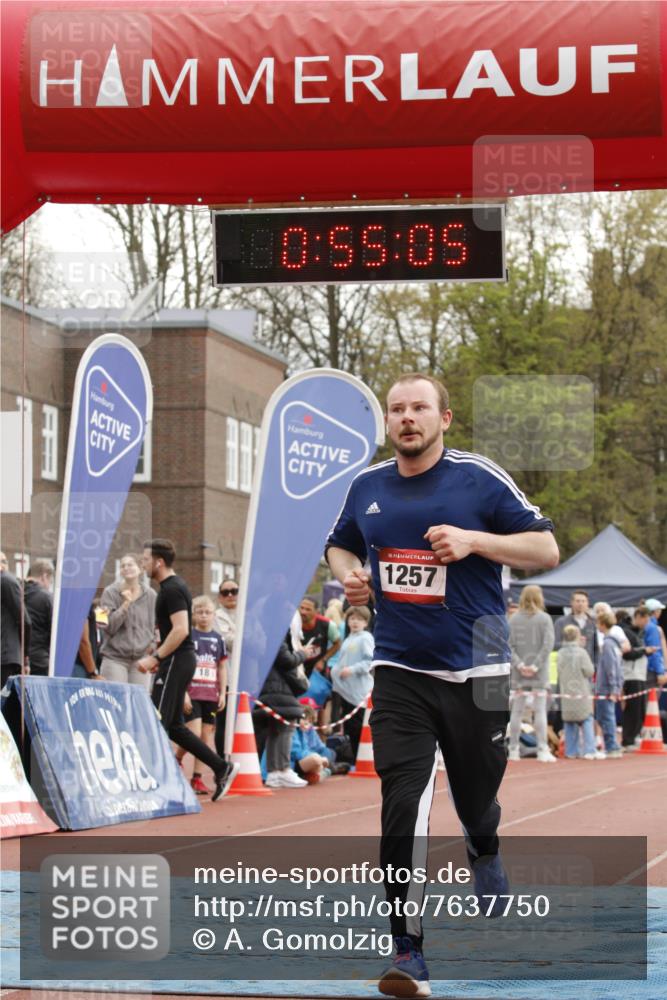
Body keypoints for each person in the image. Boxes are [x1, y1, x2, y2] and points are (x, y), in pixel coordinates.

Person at [326, 372, 558, 998]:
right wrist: (351, 576)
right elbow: (339, 546)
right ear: (388, 422)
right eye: (397, 409)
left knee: (478, 798)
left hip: (480, 668)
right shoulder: (367, 486)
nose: (407, 418)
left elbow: (547, 549)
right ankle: (408, 951)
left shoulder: (478, 478)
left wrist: (475, 541)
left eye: (419, 408)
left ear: (444, 418)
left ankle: (484, 848)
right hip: (401, 669)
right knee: (404, 799)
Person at [137, 539, 238, 801]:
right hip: (175, 660)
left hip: (178, 660)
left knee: (156, 720)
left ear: (159, 561)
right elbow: (174, 631)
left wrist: (156, 657)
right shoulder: (170, 588)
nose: (142, 564)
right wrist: (159, 656)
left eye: (145, 559)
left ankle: (158, 784)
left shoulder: (172, 589)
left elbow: (181, 629)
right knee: (173, 726)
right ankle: (221, 767)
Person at [176, 595, 228, 795]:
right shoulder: (189, 636)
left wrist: (222, 692)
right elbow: (182, 666)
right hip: (193, 692)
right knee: (194, 734)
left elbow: (222, 667)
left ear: (214, 615)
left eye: (208, 613)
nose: (204, 616)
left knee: (205, 738)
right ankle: (178, 757)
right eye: (200, 612)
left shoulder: (218, 639)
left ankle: (197, 778)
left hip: (211, 694)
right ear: (193, 615)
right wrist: (184, 694)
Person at [253, 612, 309, 788]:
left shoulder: (269, 632)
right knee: (286, 724)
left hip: (272, 683)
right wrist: (303, 654)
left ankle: (275, 771)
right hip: (276, 684)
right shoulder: (277, 634)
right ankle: (281, 769)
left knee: (277, 728)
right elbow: (286, 659)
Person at [508, 585, 556, 763]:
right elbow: (548, 645)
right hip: (539, 673)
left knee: (517, 711)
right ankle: (542, 748)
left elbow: (508, 645)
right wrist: (535, 666)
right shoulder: (545, 619)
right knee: (539, 710)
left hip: (518, 673)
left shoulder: (513, 619)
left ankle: (513, 749)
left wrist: (520, 665)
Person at [99, 553, 156, 688]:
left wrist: (152, 647)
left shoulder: (151, 595)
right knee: (115, 702)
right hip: (114, 659)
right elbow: (106, 625)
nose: (126, 568)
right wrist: (125, 604)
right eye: (122, 565)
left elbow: (156, 625)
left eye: (130, 564)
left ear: (141, 569)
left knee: (138, 703)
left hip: (141, 660)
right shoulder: (108, 592)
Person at [330, 605, 374, 760]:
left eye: (360, 619)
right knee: (350, 727)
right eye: (352, 618)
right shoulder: (349, 638)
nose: (355, 622)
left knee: (359, 727)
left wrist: (352, 670)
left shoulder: (366, 638)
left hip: (360, 693)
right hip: (346, 691)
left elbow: (369, 661)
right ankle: (355, 758)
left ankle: (362, 758)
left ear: (366, 622)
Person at [556, 624, 599, 759]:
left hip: (566, 692)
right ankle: (589, 750)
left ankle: (571, 751)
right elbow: (589, 671)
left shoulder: (560, 653)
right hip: (581, 691)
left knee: (569, 721)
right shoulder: (582, 652)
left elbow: (558, 670)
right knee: (586, 719)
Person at [617, 608, 655, 748]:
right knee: (632, 709)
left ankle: (633, 736)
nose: (647, 623)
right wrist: (645, 651)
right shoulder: (625, 632)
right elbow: (627, 654)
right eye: (645, 619)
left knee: (639, 709)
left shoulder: (638, 632)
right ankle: (628, 740)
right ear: (638, 616)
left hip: (639, 674)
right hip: (630, 675)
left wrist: (646, 652)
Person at [213, 579, 238, 757]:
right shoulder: (216, 616)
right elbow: (228, 642)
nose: (230, 595)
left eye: (234, 591)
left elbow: (260, 644)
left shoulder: (248, 614)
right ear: (220, 597)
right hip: (226, 678)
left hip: (248, 678)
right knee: (224, 722)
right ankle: (222, 765)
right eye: (225, 592)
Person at [594, 610, 624, 758]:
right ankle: (612, 745)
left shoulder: (607, 644)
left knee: (606, 717)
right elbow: (618, 667)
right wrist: (618, 686)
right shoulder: (614, 644)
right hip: (610, 686)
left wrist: (613, 688)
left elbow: (611, 667)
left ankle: (611, 745)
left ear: (602, 624)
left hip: (605, 687)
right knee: (606, 716)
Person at [1, 551, 31, 687]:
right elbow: (24, 621)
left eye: (4, 561)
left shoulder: (6, 580)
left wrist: (24, 657)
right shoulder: (7, 581)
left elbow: (24, 621)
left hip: (7, 658)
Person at [23, 559, 54, 677]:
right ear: (44, 576)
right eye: (50, 582)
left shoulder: (15, 591)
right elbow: (54, 632)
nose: (49, 586)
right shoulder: (46, 597)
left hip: (18, 659)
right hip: (40, 661)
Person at [290, 703, 333, 784]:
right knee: (315, 760)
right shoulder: (293, 731)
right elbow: (297, 754)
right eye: (304, 719)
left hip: (299, 762)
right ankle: (316, 774)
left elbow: (314, 747)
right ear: (298, 719)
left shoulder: (302, 732)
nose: (307, 723)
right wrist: (319, 758)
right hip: (291, 764)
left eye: (309, 722)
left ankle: (311, 776)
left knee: (325, 756)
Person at [554, 589, 597, 661]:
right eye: (578, 601)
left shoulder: (594, 623)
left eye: (583, 601)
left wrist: (596, 666)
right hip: (568, 665)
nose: (580, 603)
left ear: (587, 603)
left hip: (589, 666)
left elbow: (597, 648)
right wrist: (573, 644)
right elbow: (554, 645)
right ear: (572, 603)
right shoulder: (561, 622)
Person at [644, 598, 666, 687]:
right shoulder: (653, 628)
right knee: (652, 699)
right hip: (651, 671)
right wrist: (660, 672)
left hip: (646, 669)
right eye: (659, 610)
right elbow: (655, 651)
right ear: (655, 611)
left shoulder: (646, 625)